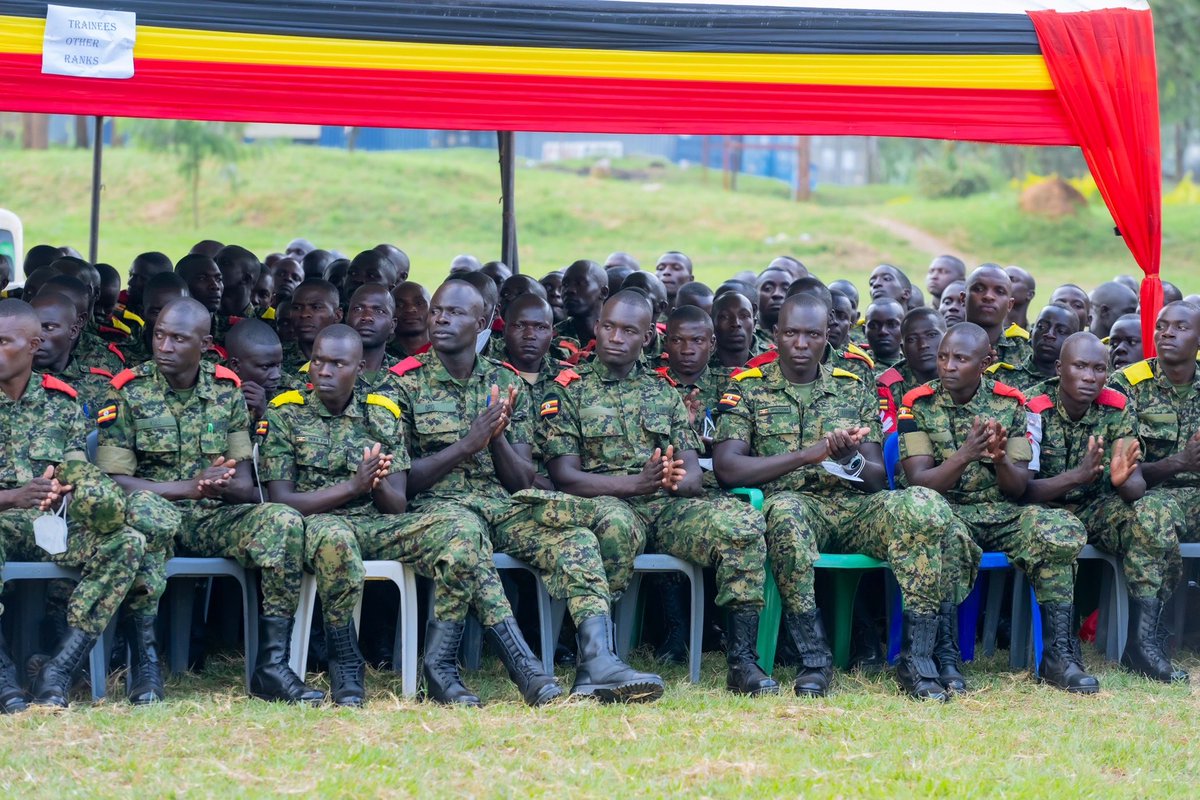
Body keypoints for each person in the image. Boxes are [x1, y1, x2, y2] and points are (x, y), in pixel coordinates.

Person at [391, 280, 663, 702]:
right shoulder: (401, 385)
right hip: (438, 511)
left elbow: (520, 481)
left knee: (575, 539)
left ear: (482, 323)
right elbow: (399, 486)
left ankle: (596, 660)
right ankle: (463, 668)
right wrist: (468, 443)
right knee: (465, 534)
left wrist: (496, 437)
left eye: (456, 313)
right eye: (438, 311)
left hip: (502, 506)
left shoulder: (503, 381)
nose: (442, 319)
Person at [263, 325, 560, 706]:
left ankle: (441, 667)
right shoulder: (286, 412)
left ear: (361, 367)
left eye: (337, 363)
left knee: (462, 531)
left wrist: (378, 483)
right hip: (321, 523)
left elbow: (398, 505)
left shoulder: (381, 412)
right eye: (318, 361)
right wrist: (351, 488)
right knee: (333, 538)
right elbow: (282, 501)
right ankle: (346, 666)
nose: (323, 370)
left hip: (379, 524)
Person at [714, 294, 976, 700]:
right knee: (784, 511)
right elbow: (728, 468)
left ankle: (919, 659)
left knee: (924, 504)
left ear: (827, 339)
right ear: (774, 336)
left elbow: (875, 479)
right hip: (796, 508)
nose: (801, 344)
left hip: (855, 510)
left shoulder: (852, 388)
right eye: (792, 334)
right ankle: (814, 661)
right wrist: (808, 455)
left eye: (812, 334)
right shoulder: (747, 390)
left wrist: (850, 458)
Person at [541, 291, 776, 697]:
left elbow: (689, 476)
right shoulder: (567, 390)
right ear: (597, 328)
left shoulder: (663, 392)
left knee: (741, 523)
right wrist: (636, 483)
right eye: (609, 327)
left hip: (664, 509)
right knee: (612, 524)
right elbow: (565, 476)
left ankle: (742, 660)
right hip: (605, 505)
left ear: (647, 337)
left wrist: (673, 478)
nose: (616, 337)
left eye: (629, 330)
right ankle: (597, 660)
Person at [96, 297, 322, 703]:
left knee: (282, 520)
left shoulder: (225, 392)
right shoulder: (129, 391)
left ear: (205, 344)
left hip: (210, 519)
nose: (164, 346)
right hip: (151, 515)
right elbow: (115, 482)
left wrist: (228, 481)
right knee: (147, 513)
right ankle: (146, 667)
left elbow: (242, 476)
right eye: (160, 335)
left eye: (178, 339)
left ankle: (272, 666)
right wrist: (190, 486)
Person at [0, 299, 177, 710]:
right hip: (3, 519)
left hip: (52, 523)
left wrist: (70, 488)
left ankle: (60, 668)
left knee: (127, 541)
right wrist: (12, 497)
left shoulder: (61, 403)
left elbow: (77, 468)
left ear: (33, 344)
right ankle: (4, 677)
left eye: (4, 341)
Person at [899, 323, 1095, 693]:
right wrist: (967, 454)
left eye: (960, 358)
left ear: (987, 361)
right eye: (943, 357)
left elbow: (1019, 488)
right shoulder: (916, 403)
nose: (948, 366)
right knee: (945, 533)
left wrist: (1002, 459)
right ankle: (945, 656)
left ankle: (1058, 656)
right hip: (949, 510)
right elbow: (920, 482)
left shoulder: (1011, 404)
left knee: (1059, 530)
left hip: (1003, 512)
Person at [1024, 333, 1186, 683]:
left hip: (1097, 506)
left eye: (1099, 368)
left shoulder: (1116, 405)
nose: (1089, 376)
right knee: (1055, 528)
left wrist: (1124, 479)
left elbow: (1134, 488)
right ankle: (1061, 653)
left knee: (1152, 513)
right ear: (1059, 368)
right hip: (1044, 509)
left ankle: (1142, 645)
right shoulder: (1033, 408)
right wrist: (1077, 477)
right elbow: (1022, 490)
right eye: (1080, 366)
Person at [1106, 302, 1200, 627]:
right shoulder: (1127, 386)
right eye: (1162, 326)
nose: (1167, 333)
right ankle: (1148, 635)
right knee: (1153, 516)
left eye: (1181, 327)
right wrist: (1180, 462)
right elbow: (1121, 473)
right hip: (1150, 497)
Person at [31, 292, 114, 421]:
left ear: (73, 331)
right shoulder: (11, 383)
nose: (38, 336)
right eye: (32, 327)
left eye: (49, 327)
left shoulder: (101, 385)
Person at [877, 308, 945, 435]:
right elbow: (889, 441)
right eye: (912, 339)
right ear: (903, 349)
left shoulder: (964, 375)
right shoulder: (888, 385)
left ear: (947, 339)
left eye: (931, 335)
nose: (923, 345)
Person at [992, 304, 1079, 393]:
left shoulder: (1079, 387)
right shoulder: (999, 377)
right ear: (1030, 333)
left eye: (1061, 331)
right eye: (1042, 327)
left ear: (1075, 344)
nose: (1049, 334)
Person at [965, 264, 1031, 367]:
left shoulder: (1027, 351)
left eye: (999, 292)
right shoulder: (943, 343)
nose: (988, 296)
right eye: (978, 289)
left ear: (1010, 305)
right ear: (963, 298)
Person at [224, 318, 283, 426]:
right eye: (266, 367)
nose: (276, 375)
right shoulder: (212, 390)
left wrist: (263, 415)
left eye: (278, 365)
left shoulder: (291, 390)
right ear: (235, 365)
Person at [281, 279, 343, 379]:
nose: (304, 314)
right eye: (297, 308)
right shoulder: (276, 357)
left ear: (338, 315)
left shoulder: (349, 358)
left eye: (316, 307)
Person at [346, 284, 399, 392]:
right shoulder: (323, 371)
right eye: (358, 309)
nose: (366, 317)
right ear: (346, 318)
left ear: (392, 325)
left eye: (379, 311)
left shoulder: (408, 374)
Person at [555, 260, 608, 364]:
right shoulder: (552, 337)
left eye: (580, 284)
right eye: (565, 284)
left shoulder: (617, 337)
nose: (569, 290)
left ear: (603, 292)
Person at [710, 290, 757, 372]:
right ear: (712, 324)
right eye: (725, 317)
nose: (736, 323)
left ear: (754, 324)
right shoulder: (700, 370)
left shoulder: (771, 366)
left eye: (744, 316)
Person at [388, 281, 432, 360]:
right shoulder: (381, 355)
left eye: (419, 303)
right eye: (399, 305)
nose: (410, 309)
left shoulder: (445, 352)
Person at [124, 252, 174, 316]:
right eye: (130, 274)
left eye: (141, 278)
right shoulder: (117, 302)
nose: (130, 282)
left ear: (160, 284)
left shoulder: (170, 316)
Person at [755, 266, 791, 348]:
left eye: (785, 289)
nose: (777, 294)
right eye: (768, 288)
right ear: (755, 294)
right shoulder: (747, 338)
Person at [864, 299, 905, 369]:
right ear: (863, 331)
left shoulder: (916, 366)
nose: (883, 331)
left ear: (904, 329)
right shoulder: (854, 366)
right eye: (874, 326)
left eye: (891, 325)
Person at [1005, 266, 1036, 331]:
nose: (1004, 283)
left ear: (1029, 294)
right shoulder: (987, 330)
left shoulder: (1033, 337)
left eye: (1011, 280)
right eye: (1003, 279)